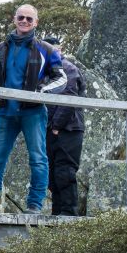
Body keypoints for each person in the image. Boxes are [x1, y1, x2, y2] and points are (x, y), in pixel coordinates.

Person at [0, 4, 67, 214]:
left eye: (29, 19)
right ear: (14, 19)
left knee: (38, 158)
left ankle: (35, 205)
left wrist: (40, 92)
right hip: (6, 112)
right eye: (21, 17)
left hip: (33, 112)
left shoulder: (46, 50)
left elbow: (61, 77)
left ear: (36, 23)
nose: (24, 21)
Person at [43, 36, 87, 216]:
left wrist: (56, 126)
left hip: (69, 129)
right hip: (52, 128)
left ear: (60, 50)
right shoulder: (46, 71)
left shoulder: (68, 68)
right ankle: (57, 213)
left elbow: (69, 98)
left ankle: (69, 213)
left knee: (65, 171)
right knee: (53, 175)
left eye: (54, 50)